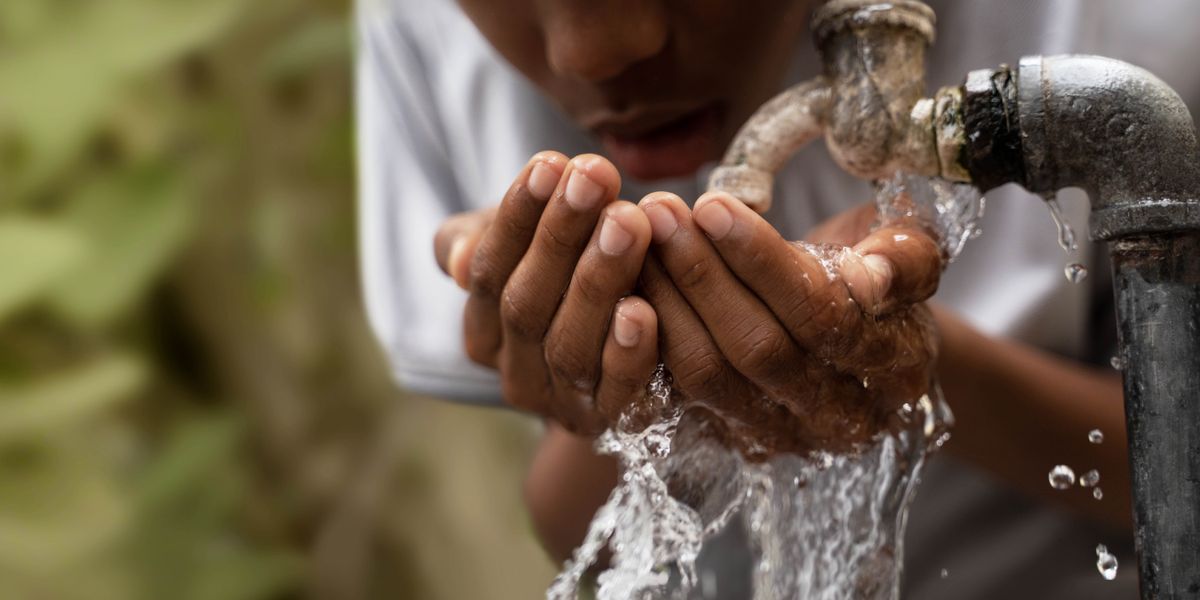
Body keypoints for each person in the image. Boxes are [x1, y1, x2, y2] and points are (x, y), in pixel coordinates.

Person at [356, 0, 1200, 596]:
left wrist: (932, 373)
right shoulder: (416, 29)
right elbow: (573, 527)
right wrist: (618, 391)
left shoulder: (1139, 28)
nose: (593, 51)